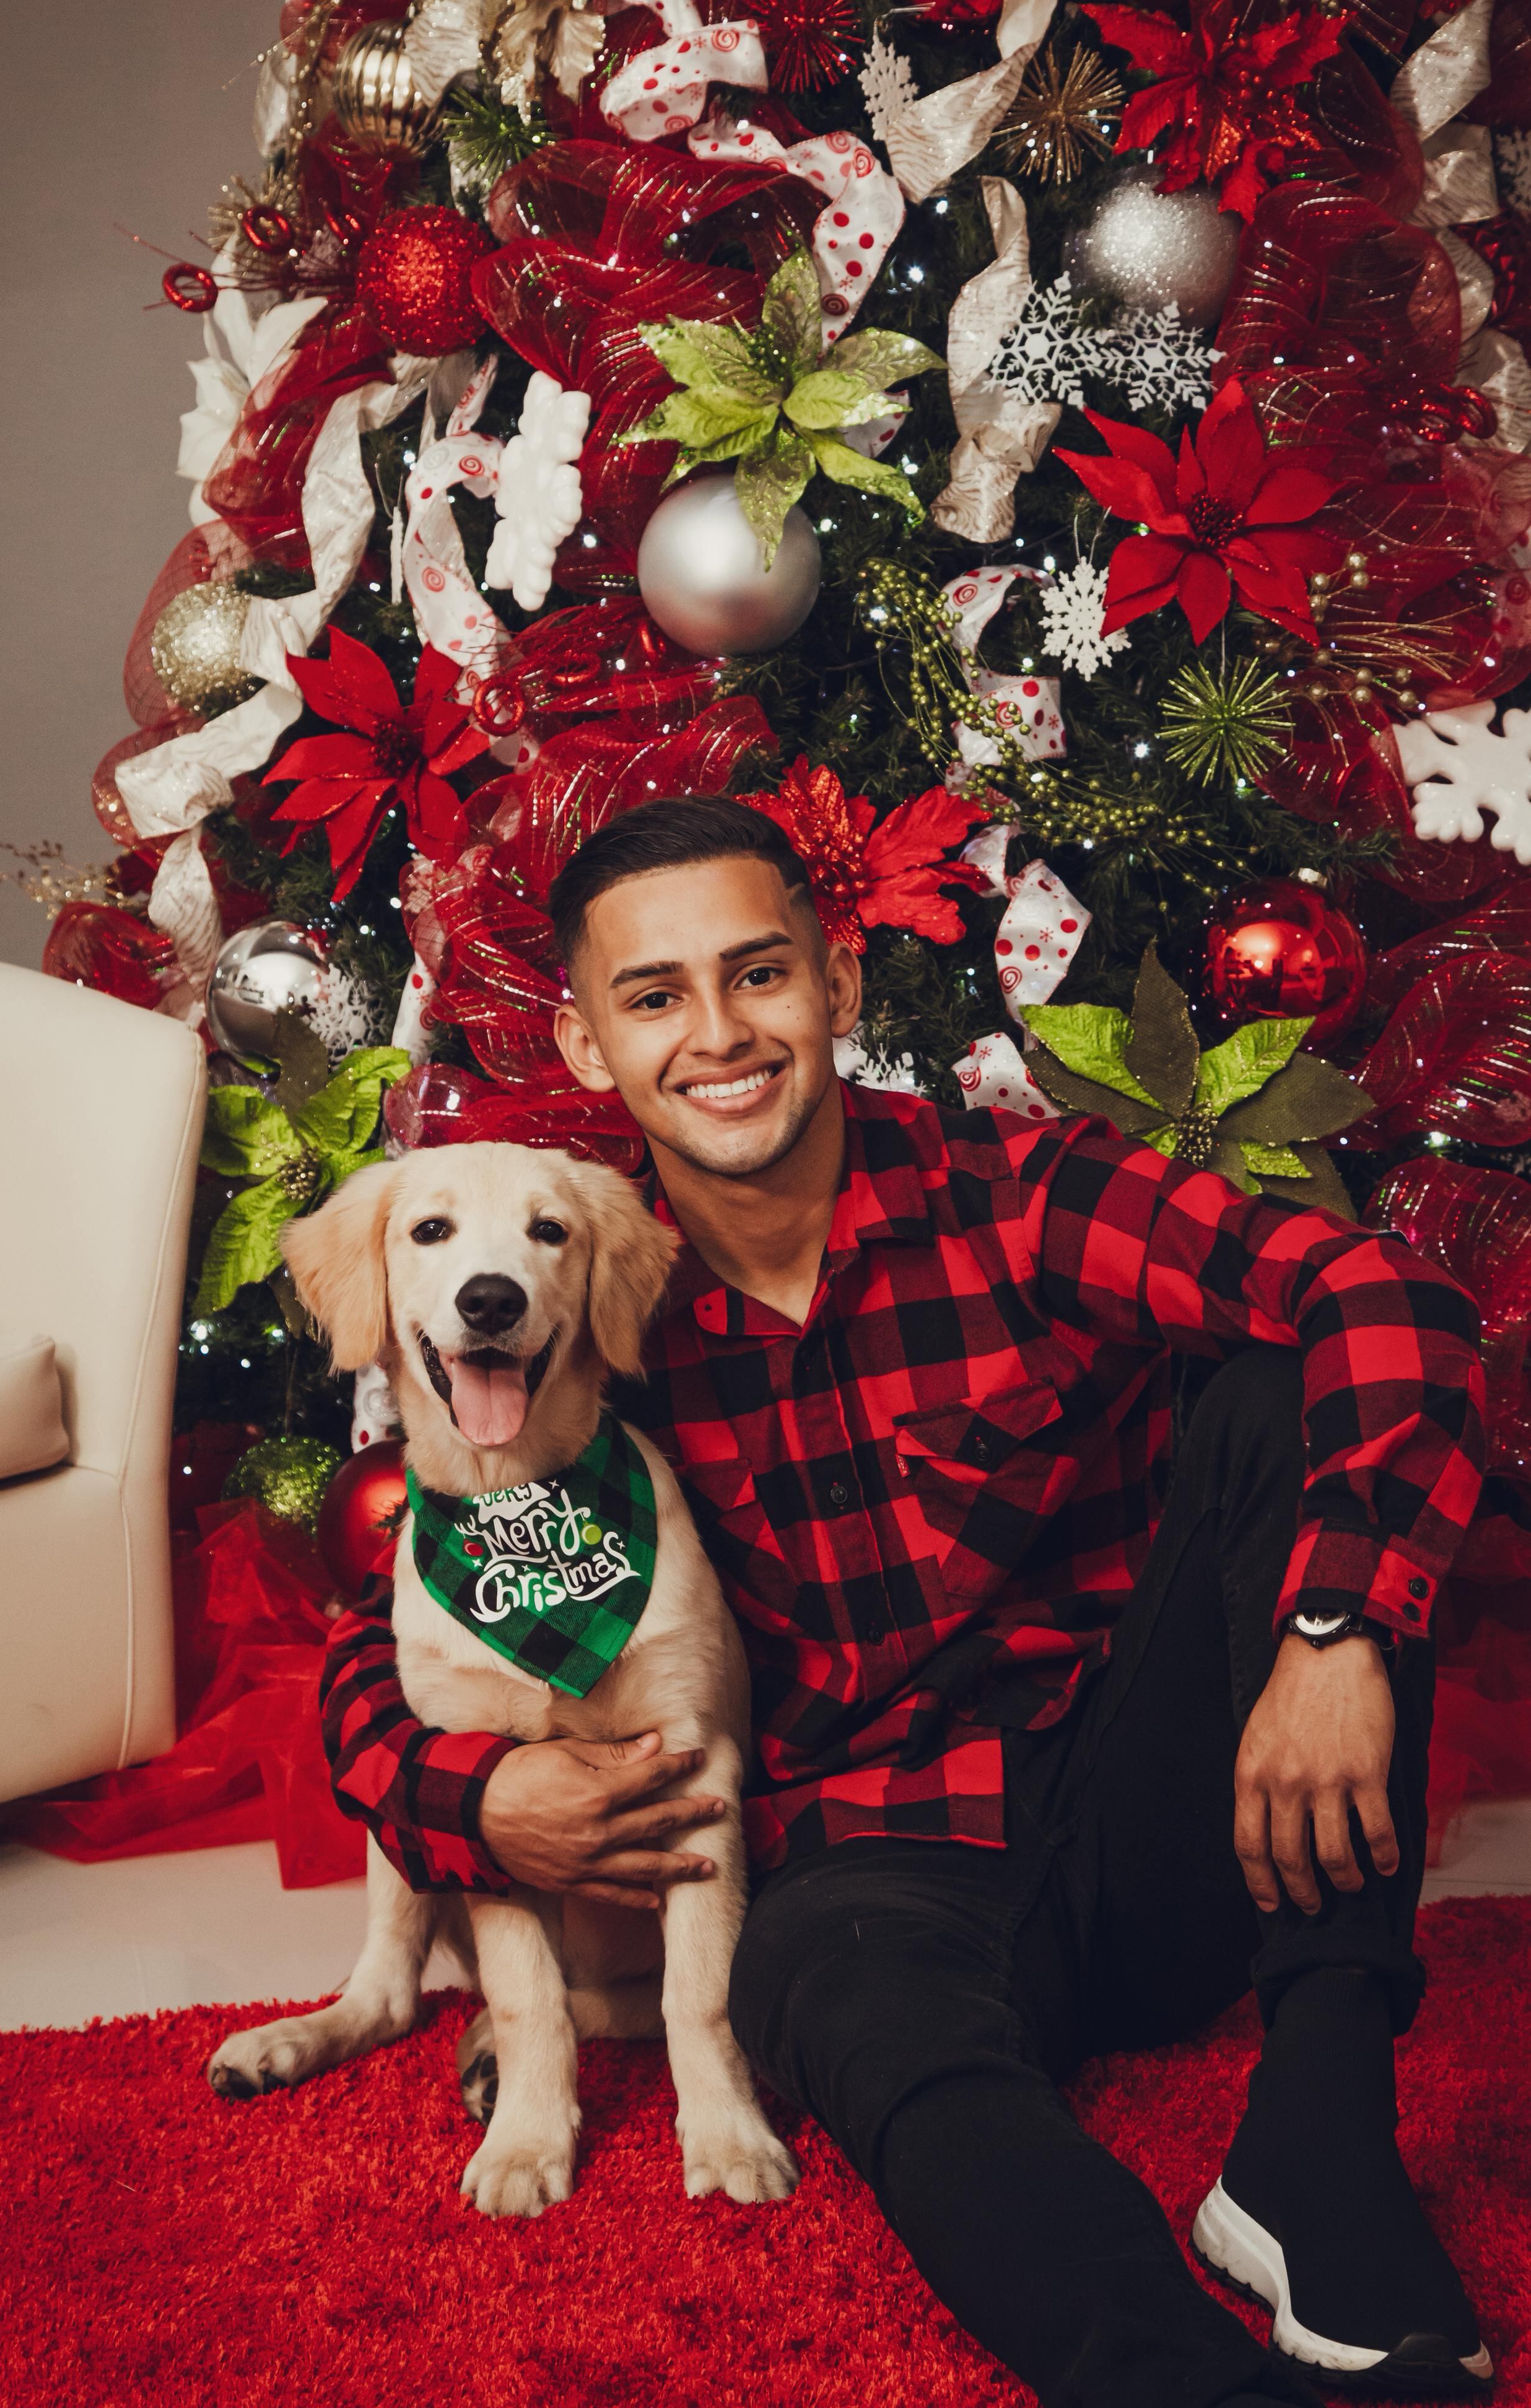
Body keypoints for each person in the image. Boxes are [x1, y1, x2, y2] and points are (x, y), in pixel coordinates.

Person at [321, 796, 1493, 2408]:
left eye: (760, 974)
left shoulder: (1018, 1193)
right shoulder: (578, 1288)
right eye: (654, 996)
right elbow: (379, 1653)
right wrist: (490, 1791)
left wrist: (1334, 1629)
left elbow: (1387, 1290)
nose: (719, 1034)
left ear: (842, 982)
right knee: (870, 2030)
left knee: (1281, 1392)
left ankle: (1319, 2137)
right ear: (590, 1045)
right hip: (865, 1876)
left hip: (1146, 1815)